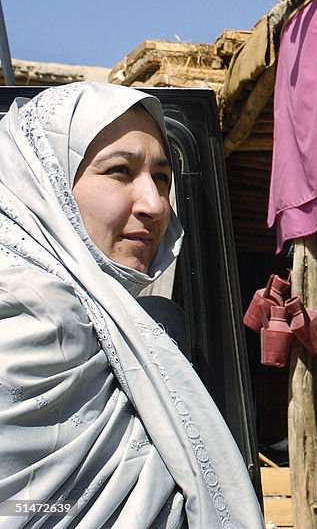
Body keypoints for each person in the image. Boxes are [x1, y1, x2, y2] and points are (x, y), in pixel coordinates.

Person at [0, 82, 263, 527]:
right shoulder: (33, 306)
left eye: (162, 178)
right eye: (120, 171)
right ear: (46, 182)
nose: (155, 204)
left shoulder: (133, 324)